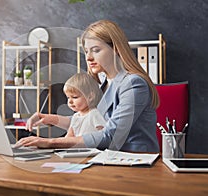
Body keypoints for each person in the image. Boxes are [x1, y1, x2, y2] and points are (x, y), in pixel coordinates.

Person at [16, 19, 160, 152]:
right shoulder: (104, 84)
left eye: (96, 50)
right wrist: (48, 118)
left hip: (135, 161)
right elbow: (88, 120)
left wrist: (50, 142)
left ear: (115, 49)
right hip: (109, 158)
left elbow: (110, 135)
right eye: (86, 51)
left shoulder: (134, 84)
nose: (89, 57)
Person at [63, 73, 106, 137]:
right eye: (68, 97)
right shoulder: (75, 116)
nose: (70, 101)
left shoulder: (94, 114)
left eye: (75, 97)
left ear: (90, 97)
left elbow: (104, 134)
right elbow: (69, 135)